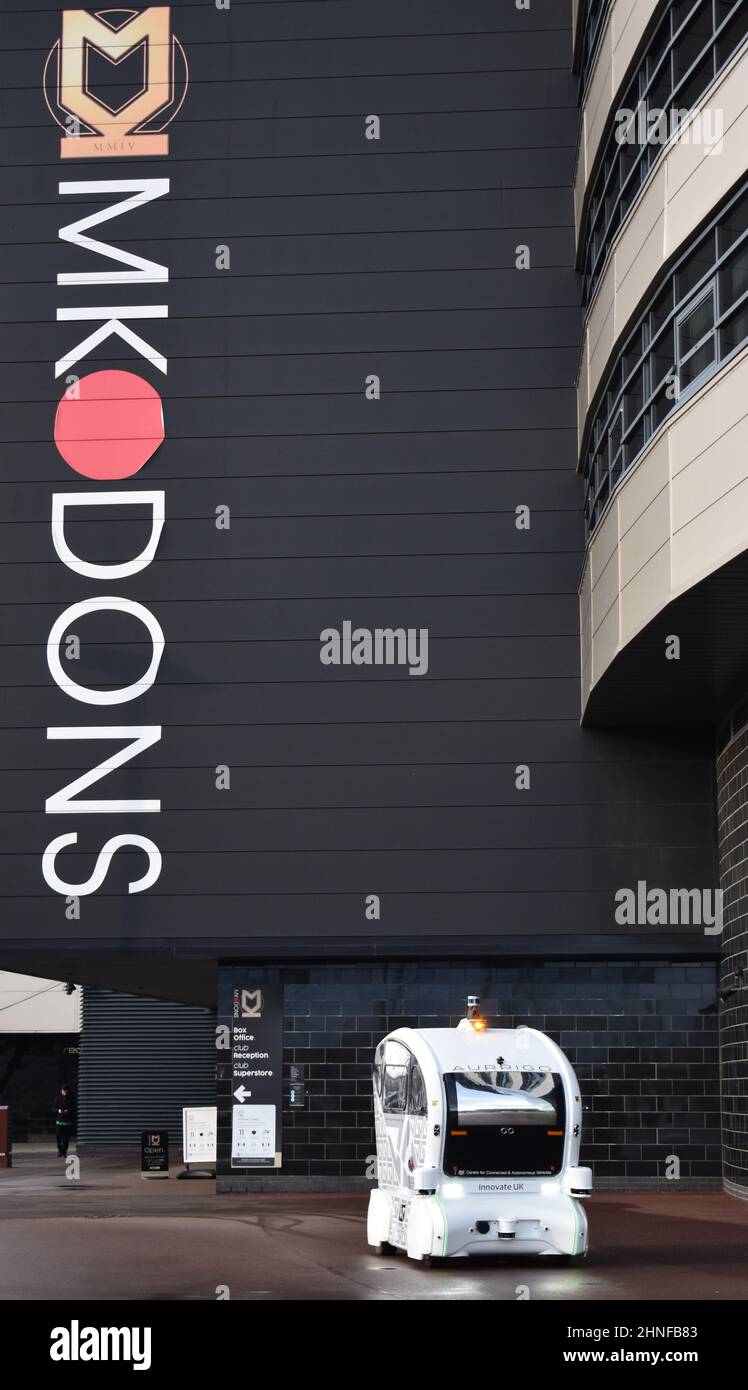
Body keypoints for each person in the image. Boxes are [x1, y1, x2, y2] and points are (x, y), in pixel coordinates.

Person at [53, 1084, 76, 1158]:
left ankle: (64, 1152)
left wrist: (68, 1111)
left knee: (66, 1138)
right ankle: (60, 1150)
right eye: (63, 1091)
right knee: (58, 1137)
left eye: (66, 1091)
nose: (64, 1092)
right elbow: (53, 1107)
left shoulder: (72, 1099)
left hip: (67, 1121)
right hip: (59, 1121)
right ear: (61, 1091)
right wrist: (58, 1110)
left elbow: (74, 1109)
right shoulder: (58, 1098)